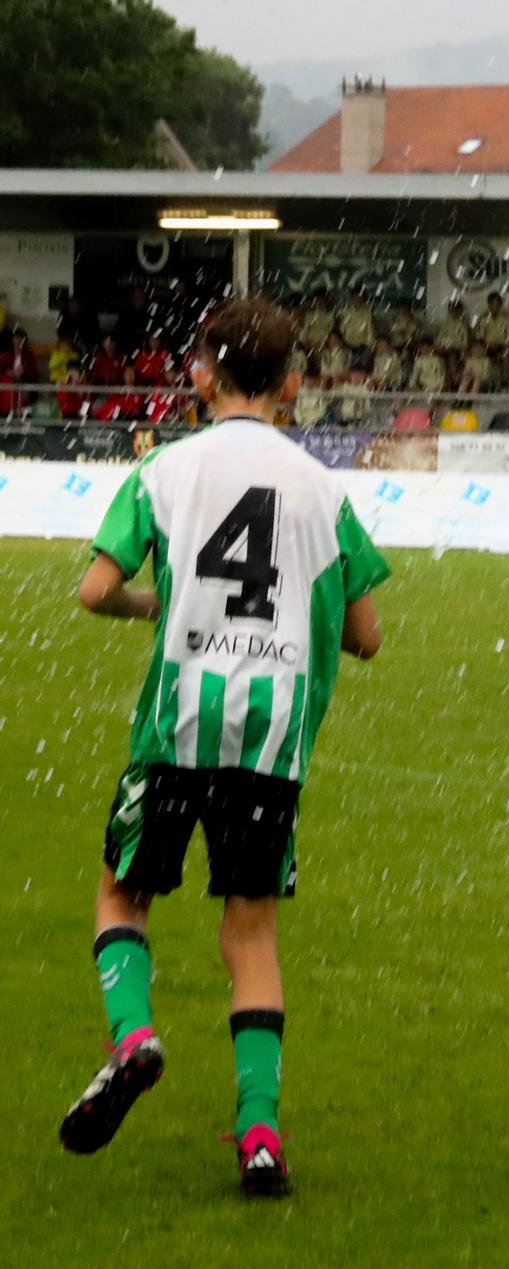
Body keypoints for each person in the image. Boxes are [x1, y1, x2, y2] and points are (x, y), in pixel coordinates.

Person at [57, 296, 390, 1197]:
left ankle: (132, 1037)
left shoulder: (167, 470)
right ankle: (259, 1136)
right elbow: (367, 633)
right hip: (271, 740)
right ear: (293, 384)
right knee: (251, 932)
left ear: (203, 375)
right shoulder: (325, 491)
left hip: (176, 729)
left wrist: (153, 605)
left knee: (123, 891)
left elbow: (93, 589)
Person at [337, 286, 377, 351]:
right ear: (352, 298)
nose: (357, 299)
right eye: (355, 297)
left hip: (362, 347)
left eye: (360, 297)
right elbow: (342, 329)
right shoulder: (347, 312)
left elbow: (370, 332)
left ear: (364, 299)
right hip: (347, 345)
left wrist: (368, 347)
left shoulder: (368, 313)